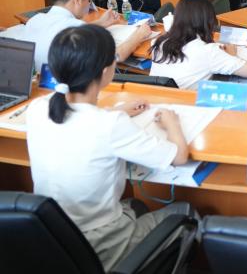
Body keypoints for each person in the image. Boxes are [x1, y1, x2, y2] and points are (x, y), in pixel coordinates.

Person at [25, 24, 191, 270]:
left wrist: (114, 111)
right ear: (105, 72)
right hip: (101, 243)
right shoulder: (110, 125)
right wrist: (172, 123)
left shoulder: (38, 109)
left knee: (136, 206)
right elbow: (179, 156)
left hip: (51, 238)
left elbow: (80, 122)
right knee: (187, 214)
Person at [13, 0, 150, 72]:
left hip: (41, 85)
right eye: (88, 0)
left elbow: (65, 31)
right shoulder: (77, 28)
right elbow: (116, 56)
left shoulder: (35, 20)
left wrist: (100, 23)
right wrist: (139, 35)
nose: (89, 4)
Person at [150, 0, 247, 89]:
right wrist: (233, 56)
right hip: (186, 103)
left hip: (155, 99)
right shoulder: (208, 51)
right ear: (207, 21)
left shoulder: (159, 42)